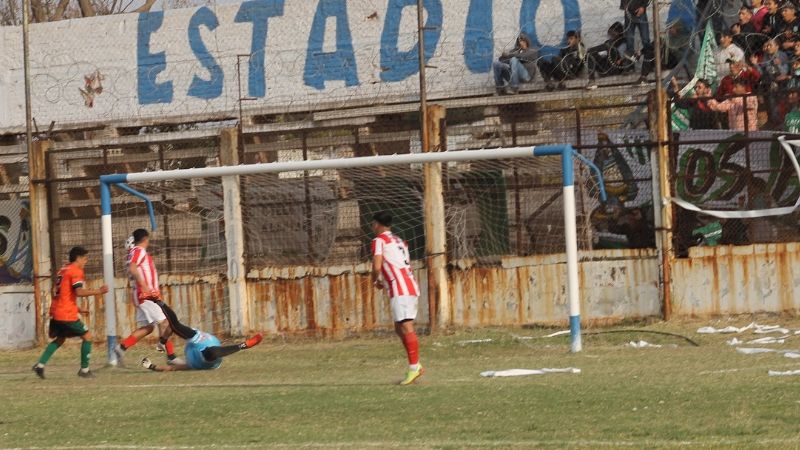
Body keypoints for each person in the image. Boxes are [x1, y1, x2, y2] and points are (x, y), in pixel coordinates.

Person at [32, 247, 109, 379]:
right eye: (85, 258)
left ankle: (40, 365)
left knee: (60, 339)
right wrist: (98, 291)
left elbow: (63, 293)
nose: (86, 261)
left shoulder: (63, 269)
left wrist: (78, 309)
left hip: (57, 310)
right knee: (88, 337)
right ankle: (84, 370)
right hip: (66, 314)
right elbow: (78, 292)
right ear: (78, 258)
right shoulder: (76, 271)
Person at [370, 211, 423, 386]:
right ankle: (415, 365)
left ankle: (414, 367)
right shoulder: (399, 240)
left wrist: (375, 279)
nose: (372, 227)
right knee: (399, 327)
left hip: (400, 287)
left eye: (373, 224)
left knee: (406, 327)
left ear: (377, 224)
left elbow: (377, 265)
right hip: (408, 285)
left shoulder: (379, 241)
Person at [113, 228, 178, 366]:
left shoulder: (135, 253)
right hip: (146, 295)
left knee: (149, 328)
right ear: (146, 239)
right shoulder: (138, 251)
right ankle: (170, 356)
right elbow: (132, 268)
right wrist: (145, 286)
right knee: (166, 323)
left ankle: (121, 348)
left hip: (142, 295)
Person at [140, 301, 262, 371]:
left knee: (174, 326)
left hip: (207, 350)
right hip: (207, 346)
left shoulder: (196, 361)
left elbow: (173, 369)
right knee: (174, 327)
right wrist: (152, 367)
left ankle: (164, 344)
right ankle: (242, 345)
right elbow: (173, 368)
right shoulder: (198, 351)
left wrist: (152, 366)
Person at [586, 22, 633, 89]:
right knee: (592, 54)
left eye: (614, 33)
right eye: (611, 33)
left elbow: (624, 57)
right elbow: (603, 54)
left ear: (619, 33)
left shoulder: (623, 42)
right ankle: (591, 80)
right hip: (606, 67)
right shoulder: (608, 42)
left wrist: (621, 59)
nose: (612, 35)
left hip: (616, 69)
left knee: (610, 48)